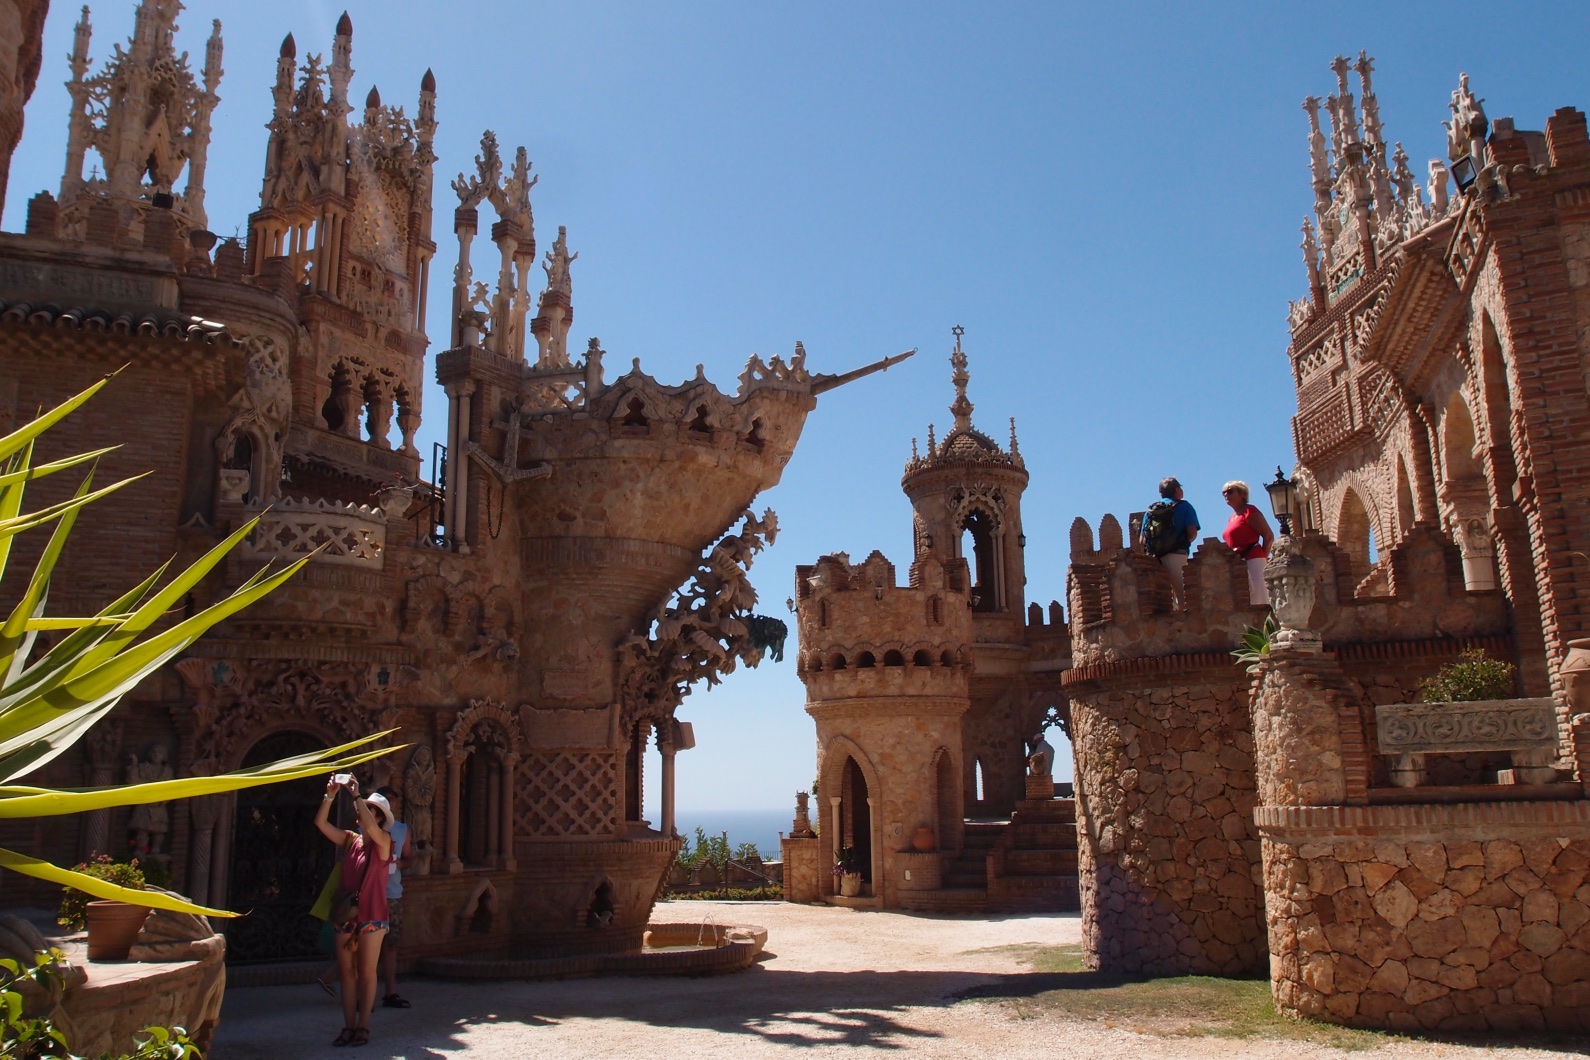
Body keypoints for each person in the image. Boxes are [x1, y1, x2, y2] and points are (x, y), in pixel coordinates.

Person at [314, 776, 393, 1048]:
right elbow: (321, 824)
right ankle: (348, 1025)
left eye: (370, 810)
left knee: (367, 972)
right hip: (346, 914)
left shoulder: (384, 842)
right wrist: (330, 795)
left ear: (378, 818)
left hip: (372, 915)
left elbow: (372, 829)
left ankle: (363, 1026)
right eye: (362, 808)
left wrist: (358, 795)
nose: (362, 812)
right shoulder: (350, 841)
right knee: (347, 972)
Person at [373, 786, 413, 1010]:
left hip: (392, 894)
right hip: (370, 894)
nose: (392, 803)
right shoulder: (364, 829)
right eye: (387, 799)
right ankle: (361, 995)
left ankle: (390, 992)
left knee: (390, 945)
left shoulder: (401, 829)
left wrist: (397, 863)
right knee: (364, 946)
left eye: (394, 800)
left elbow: (409, 859)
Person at [1141, 476, 1200, 608]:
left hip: (1155, 560)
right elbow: (1192, 532)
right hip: (1177, 556)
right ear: (1177, 490)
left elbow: (1142, 540)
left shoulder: (1150, 511)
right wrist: (1181, 544)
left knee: (1164, 605)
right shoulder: (1185, 506)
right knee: (1187, 601)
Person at [1221, 480, 1276, 606]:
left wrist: (1263, 559)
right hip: (1238, 563)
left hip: (1254, 560)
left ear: (1242, 494)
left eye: (1230, 491)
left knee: (1259, 599)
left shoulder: (1250, 511)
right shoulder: (1231, 518)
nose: (1226, 495)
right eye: (1224, 493)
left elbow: (1268, 536)